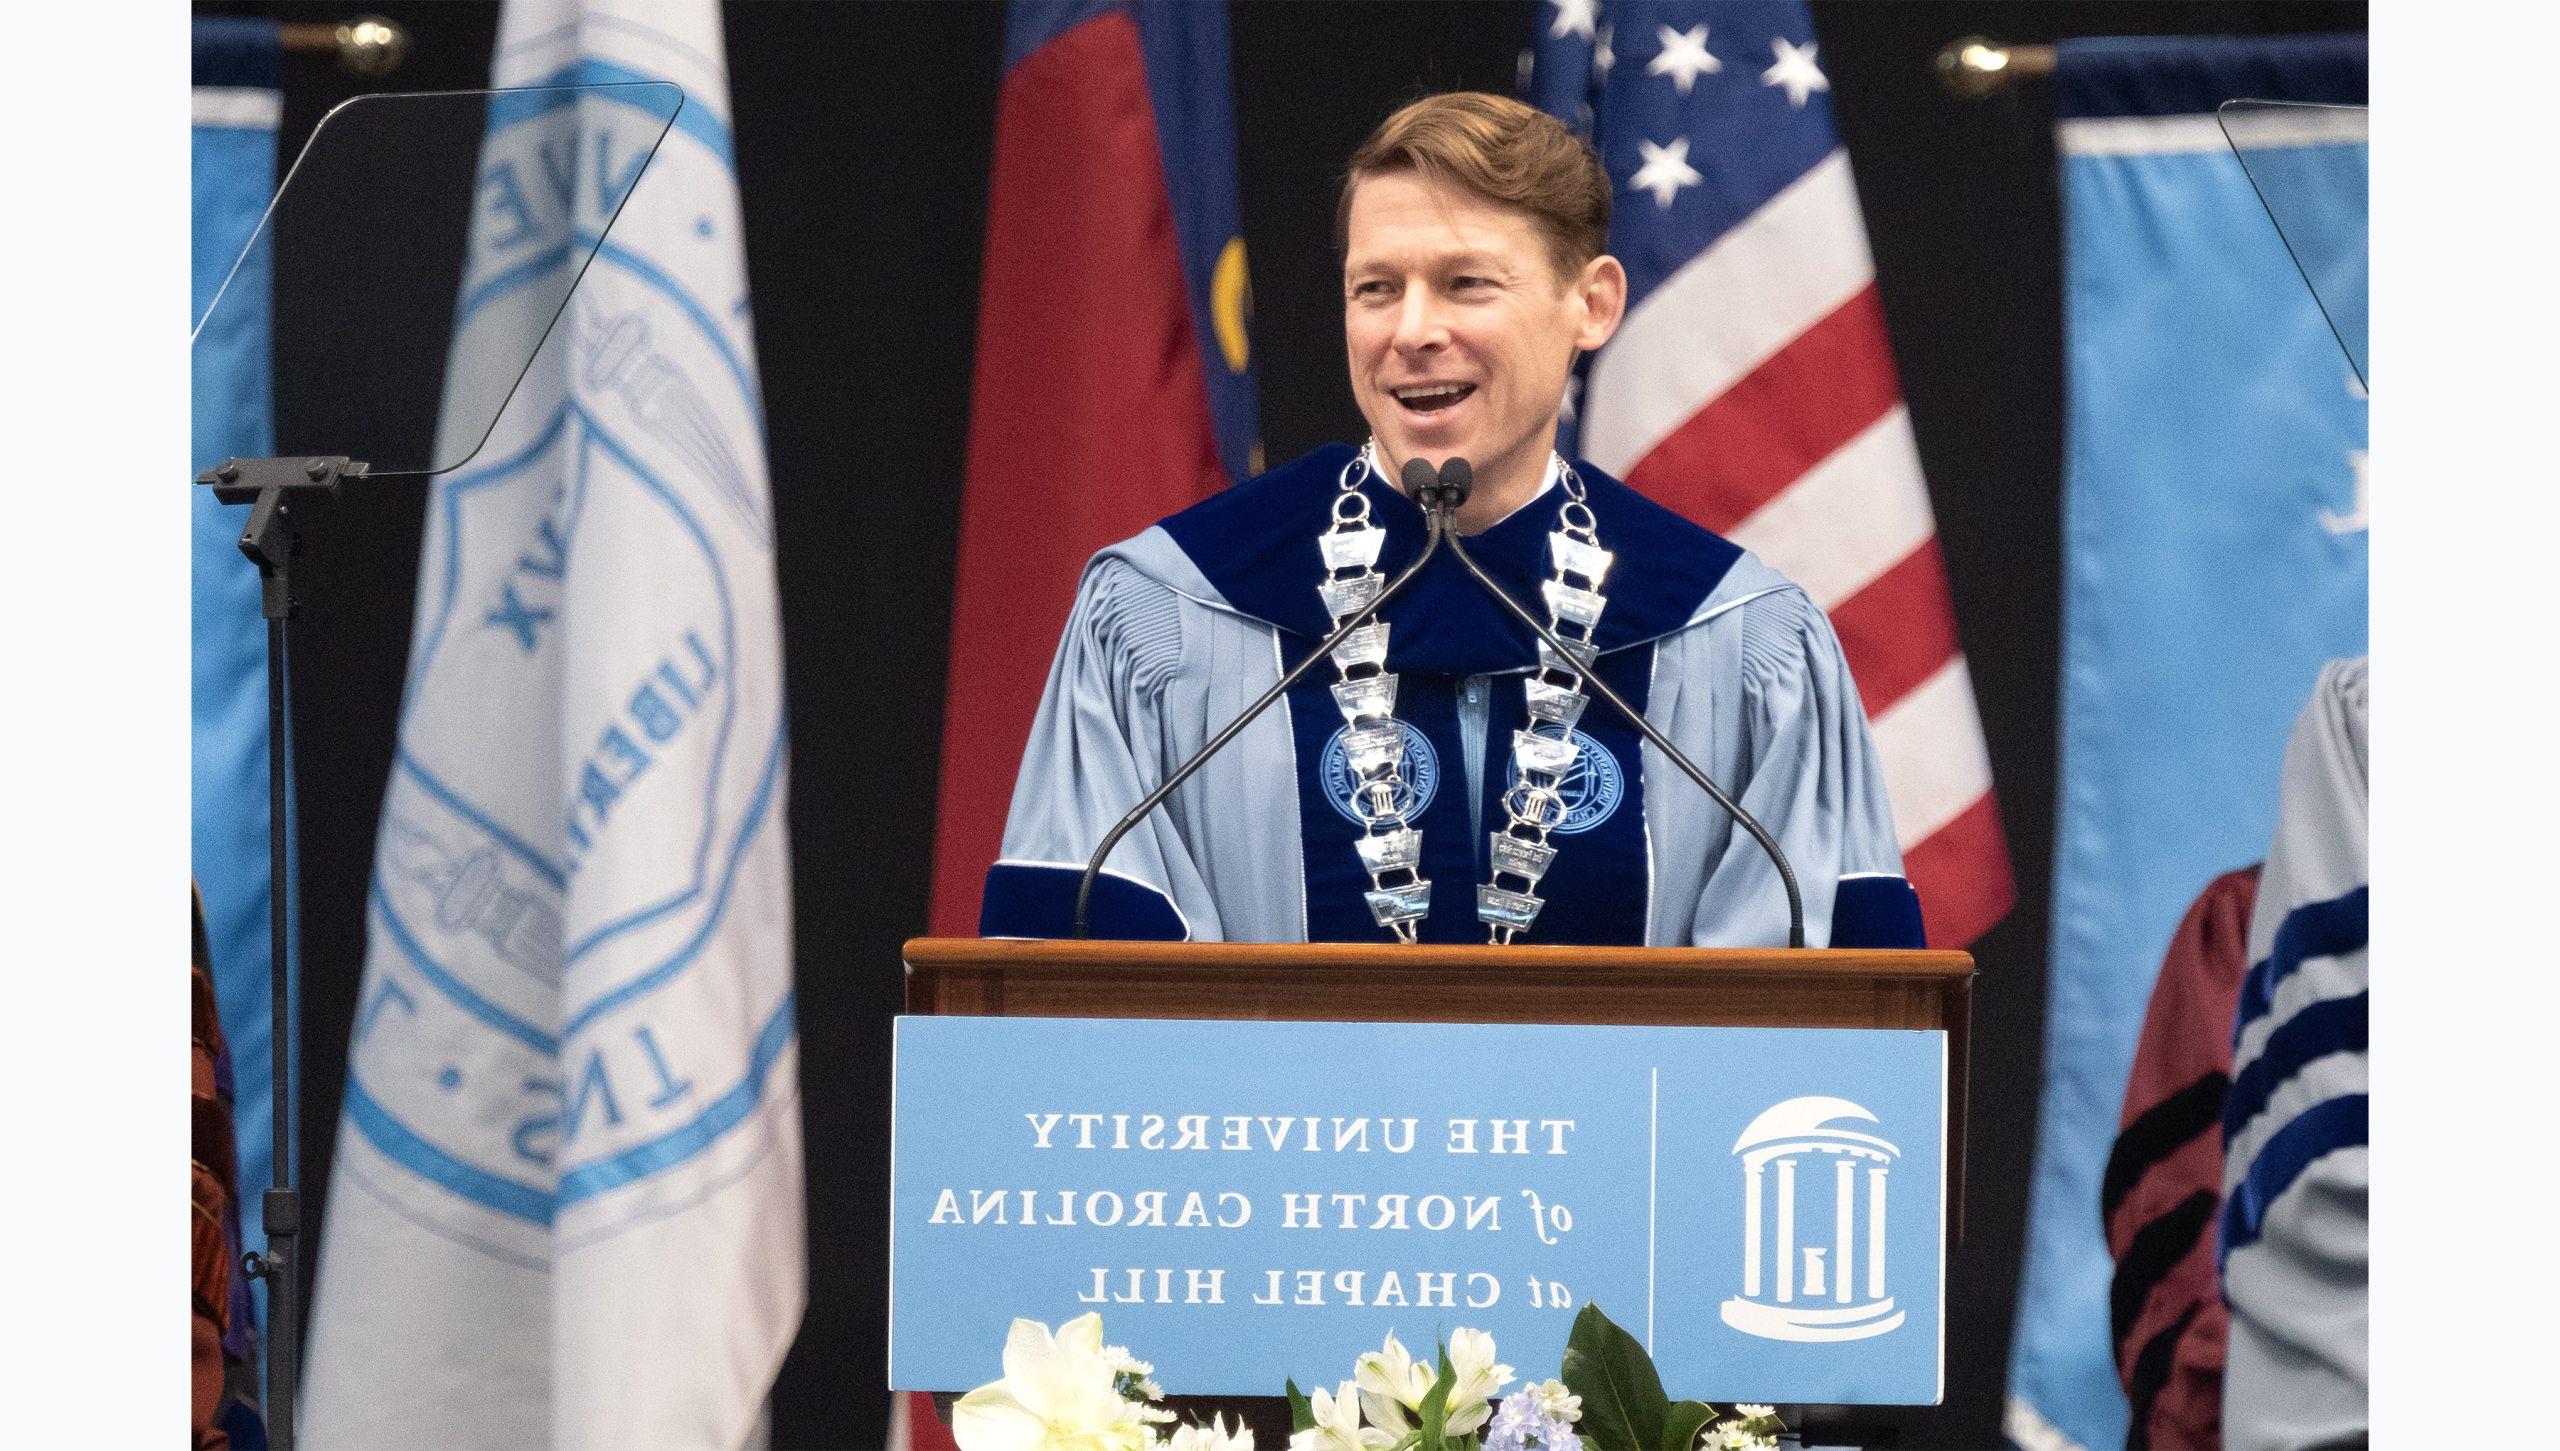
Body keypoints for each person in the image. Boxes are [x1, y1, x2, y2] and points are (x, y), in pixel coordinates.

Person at [982, 91, 1911, 948]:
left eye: (1466, 283)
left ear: (1591, 304)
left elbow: (1813, 1033)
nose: (1411, 330)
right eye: (1376, 288)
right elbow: (1080, 1014)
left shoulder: (1735, 638)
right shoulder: (1168, 614)